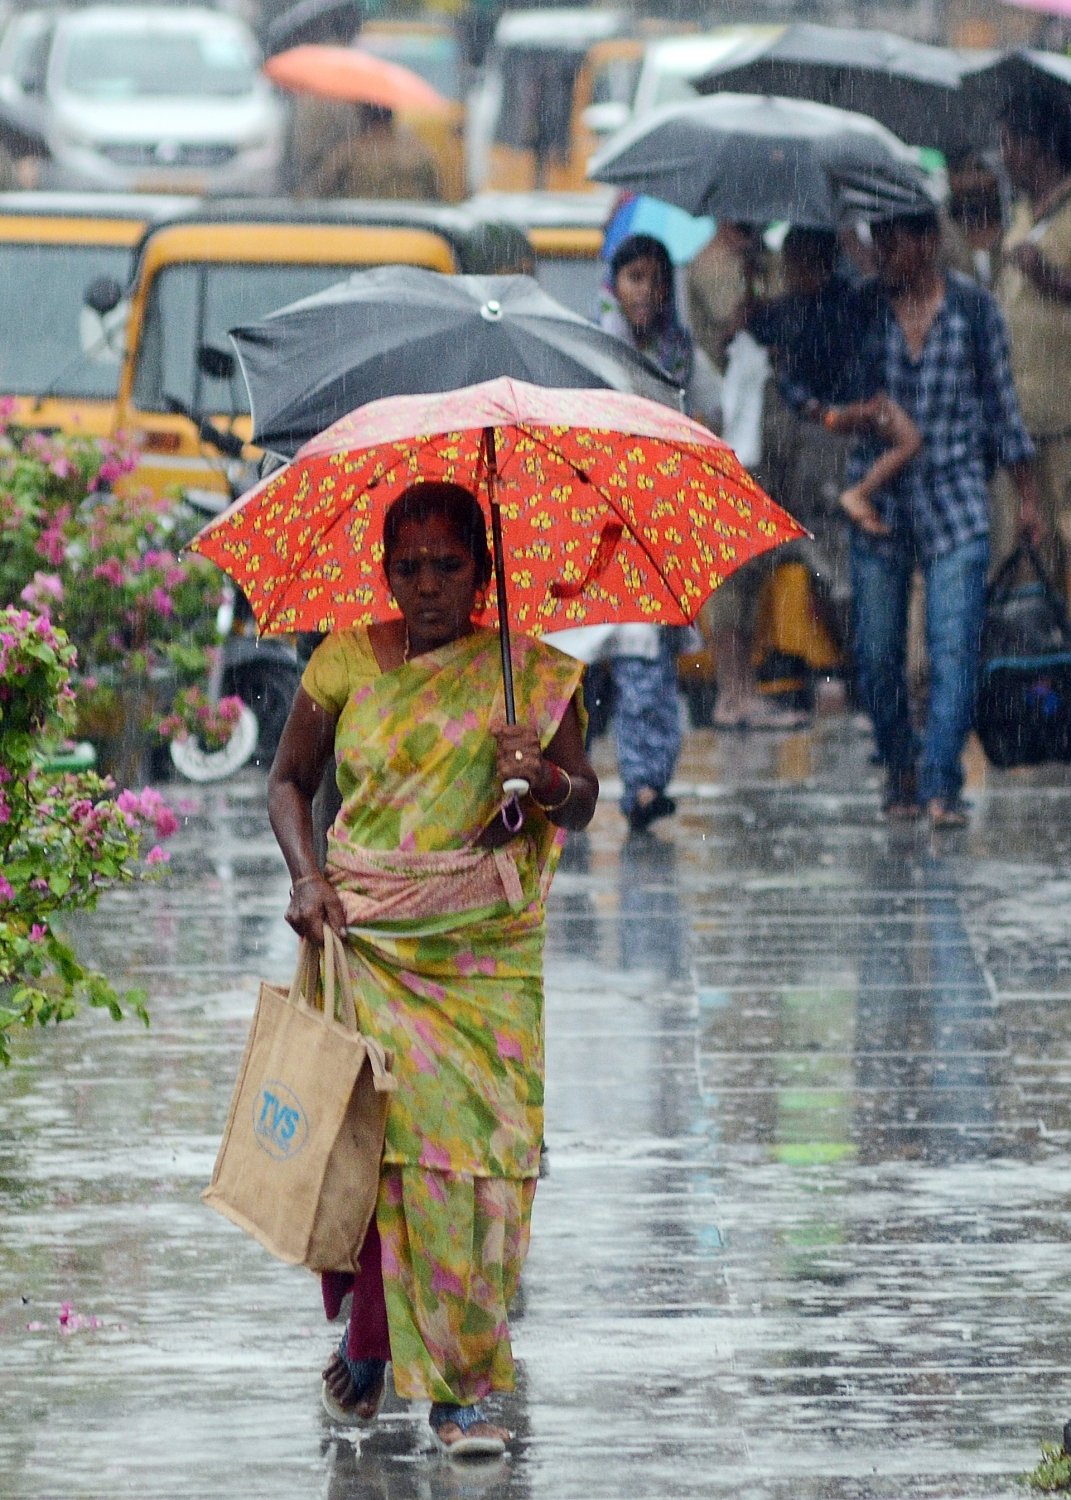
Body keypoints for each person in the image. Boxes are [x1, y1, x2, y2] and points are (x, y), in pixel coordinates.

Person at [267, 481, 598, 1455]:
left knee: (480, 1168)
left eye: (448, 565)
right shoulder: (344, 663)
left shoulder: (531, 678)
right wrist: (305, 877)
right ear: (382, 574)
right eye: (406, 568)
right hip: (367, 939)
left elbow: (579, 803)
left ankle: (464, 1387)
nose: (427, 587)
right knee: (379, 1154)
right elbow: (288, 782)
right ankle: (373, 1343)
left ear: (484, 574)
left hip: (480, 958)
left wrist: (540, 777)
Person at [845, 207, 1039, 827]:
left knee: (954, 650)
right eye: (877, 241)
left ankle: (938, 784)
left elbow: (1003, 406)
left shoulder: (974, 311)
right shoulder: (863, 311)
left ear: (927, 242)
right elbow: (832, 390)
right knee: (876, 654)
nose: (883, 254)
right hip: (880, 504)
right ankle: (901, 766)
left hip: (957, 500)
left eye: (893, 241)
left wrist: (1027, 495)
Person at [595, 233, 706, 830]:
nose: (648, 292)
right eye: (636, 278)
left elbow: (707, 413)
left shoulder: (679, 354)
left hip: (656, 530)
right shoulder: (592, 352)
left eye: (657, 280)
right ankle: (568, 780)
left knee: (647, 666)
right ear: (615, 284)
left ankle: (643, 784)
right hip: (595, 531)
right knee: (583, 668)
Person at [996, 88, 1071, 592]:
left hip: (1064, 413)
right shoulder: (1021, 212)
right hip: (1019, 415)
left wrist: (1053, 279)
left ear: (1037, 145)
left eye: (1009, 144)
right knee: (1026, 543)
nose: (1003, 157)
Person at [300, 102, 441, 201]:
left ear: (364, 115)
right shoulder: (418, 152)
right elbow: (435, 196)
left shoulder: (351, 151)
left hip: (363, 233)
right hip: (411, 235)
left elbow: (315, 192)